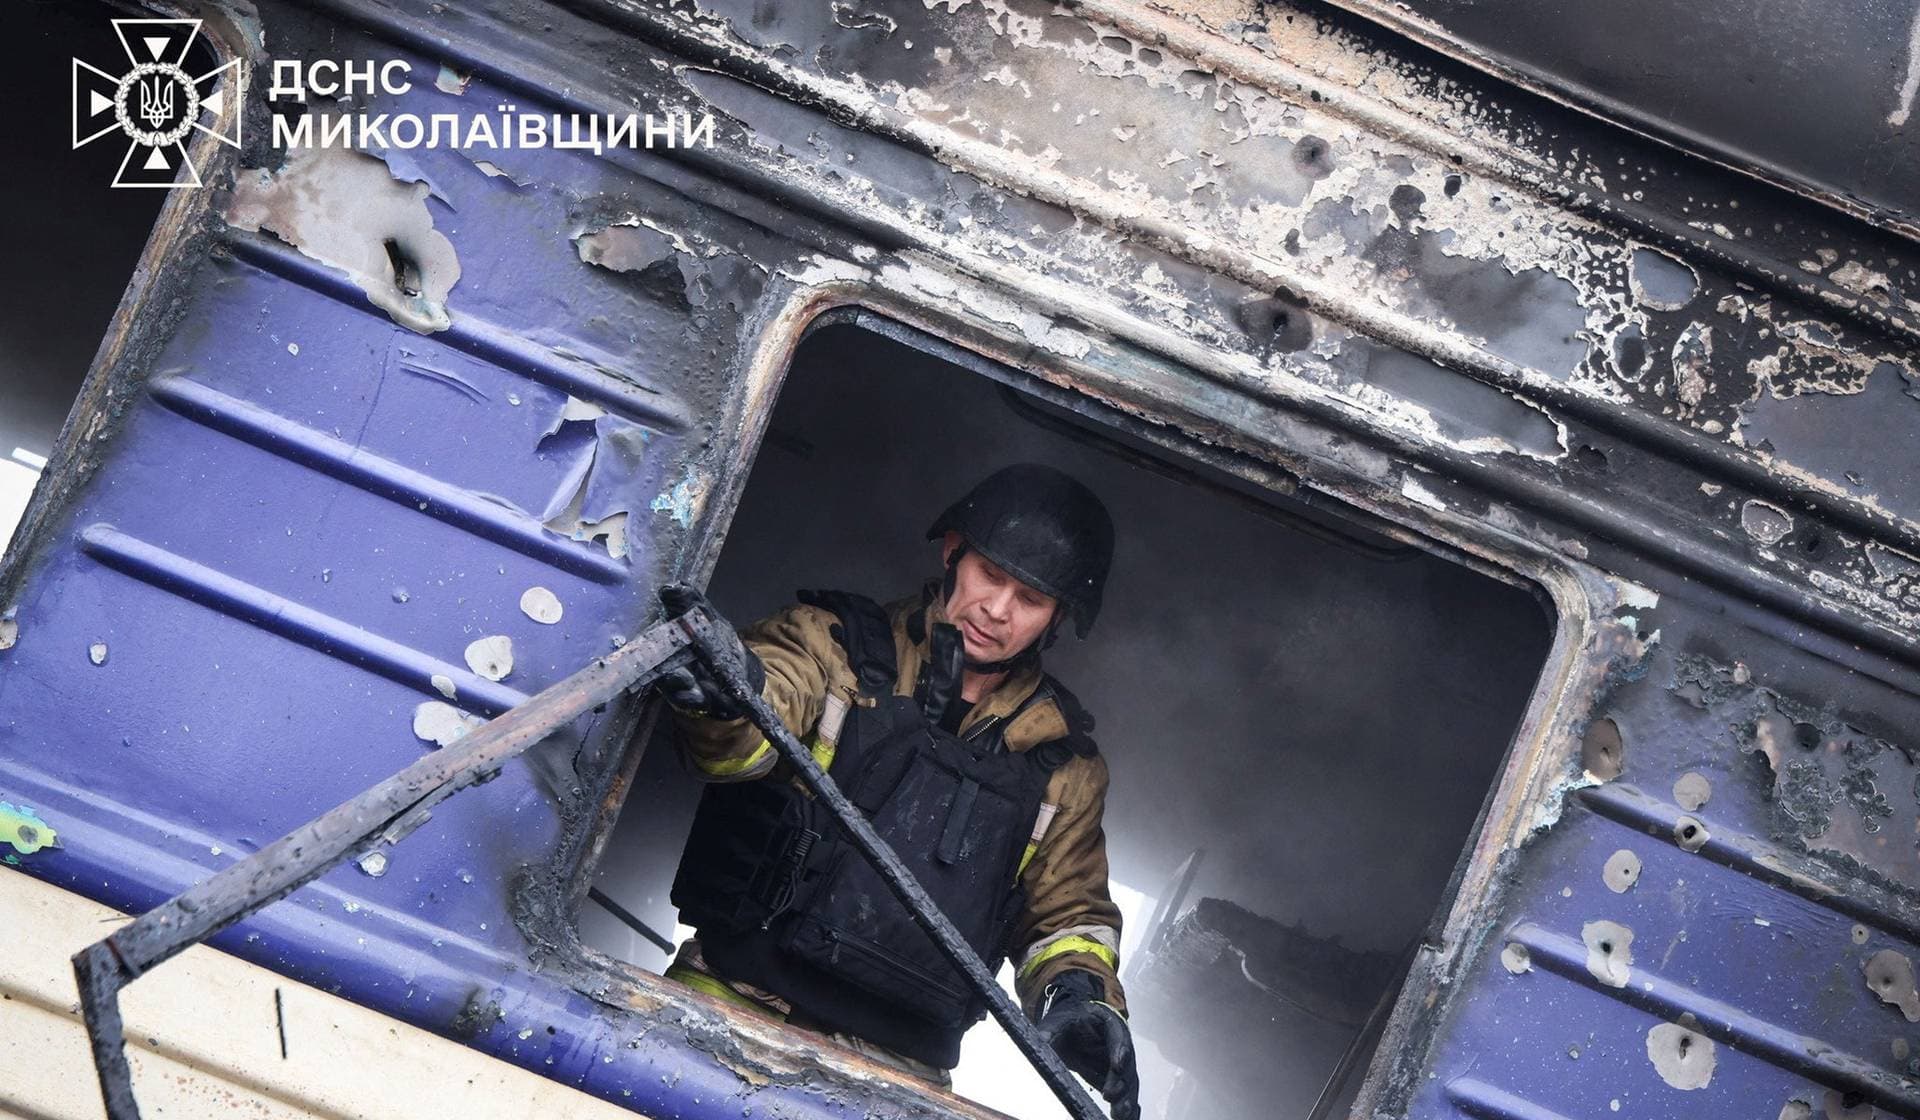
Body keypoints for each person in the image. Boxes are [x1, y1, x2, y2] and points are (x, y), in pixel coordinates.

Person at [656, 462, 1141, 1119]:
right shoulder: (830, 646)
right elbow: (760, 713)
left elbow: (1066, 916)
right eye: (990, 576)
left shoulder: (1065, 769)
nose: (998, 610)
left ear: (1060, 618)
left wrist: (1080, 996)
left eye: (1029, 599)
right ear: (953, 552)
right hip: (726, 1012)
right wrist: (726, 692)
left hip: (897, 1082)